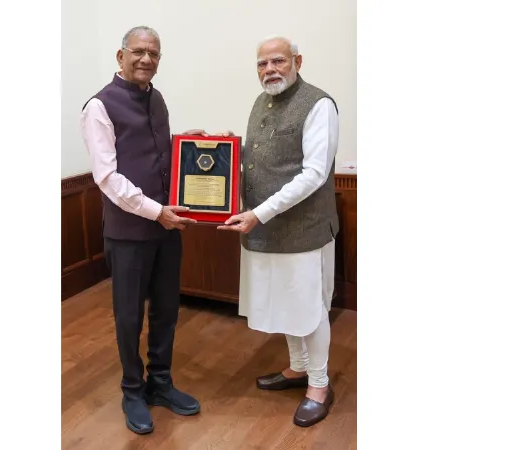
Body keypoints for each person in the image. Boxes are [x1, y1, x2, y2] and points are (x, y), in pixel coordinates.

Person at [80, 25, 208, 435]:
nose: (146, 59)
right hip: (129, 232)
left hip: (166, 229)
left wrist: (197, 146)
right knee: (130, 316)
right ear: (121, 57)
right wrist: (156, 212)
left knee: (168, 311)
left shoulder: (159, 100)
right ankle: (132, 390)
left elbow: (162, 156)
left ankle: (161, 383)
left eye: (153, 53)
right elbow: (108, 178)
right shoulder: (98, 107)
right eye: (138, 52)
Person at [217, 36, 340, 427]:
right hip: (263, 229)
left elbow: (314, 174)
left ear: (297, 61)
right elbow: (254, 162)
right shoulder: (260, 103)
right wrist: (212, 155)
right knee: (286, 304)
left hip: (303, 231)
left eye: (277, 61)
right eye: (261, 64)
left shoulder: (319, 104)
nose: (269, 69)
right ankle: (297, 368)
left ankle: (319, 384)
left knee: (310, 308)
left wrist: (260, 213)